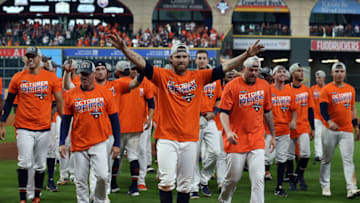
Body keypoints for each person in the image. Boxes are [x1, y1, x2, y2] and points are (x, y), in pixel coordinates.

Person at [107, 32, 264, 203]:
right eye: (178, 56)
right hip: (167, 138)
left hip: (190, 139)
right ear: (171, 59)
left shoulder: (198, 77)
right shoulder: (162, 76)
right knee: (166, 182)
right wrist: (123, 48)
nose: (181, 59)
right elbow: (142, 63)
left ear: (189, 59)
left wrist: (246, 55)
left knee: (185, 185)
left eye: (184, 56)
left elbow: (224, 68)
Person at [0, 47, 63, 203]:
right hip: (23, 127)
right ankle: (23, 198)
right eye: (28, 56)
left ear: (39, 59)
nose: (30, 59)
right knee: (25, 162)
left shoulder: (51, 78)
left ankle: (35, 196)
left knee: (41, 165)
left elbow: (59, 101)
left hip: (43, 127)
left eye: (33, 56)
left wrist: (65, 121)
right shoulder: (18, 77)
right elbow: (8, 103)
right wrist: (2, 124)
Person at [59, 60, 121, 203]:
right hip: (78, 144)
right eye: (82, 74)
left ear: (93, 74)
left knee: (103, 176)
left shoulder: (105, 93)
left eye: (87, 74)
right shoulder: (71, 94)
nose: (84, 77)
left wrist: (117, 142)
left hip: (99, 141)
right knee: (80, 181)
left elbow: (114, 119)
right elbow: (66, 121)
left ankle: (98, 200)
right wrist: (62, 142)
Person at [218, 56, 276, 203]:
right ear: (243, 68)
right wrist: (229, 131)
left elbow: (267, 112)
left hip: (256, 139)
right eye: (251, 69)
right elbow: (223, 112)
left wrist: (273, 135)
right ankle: (224, 199)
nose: (254, 73)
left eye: (256, 70)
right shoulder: (232, 86)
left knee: (258, 178)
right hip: (236, 140)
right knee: (233, 178)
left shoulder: (264, 86)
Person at [319, 62, 360, 199]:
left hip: (347, 129)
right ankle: (325, 185)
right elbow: (323, 109)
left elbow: (353, 109)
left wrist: (356, 126)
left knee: (348, 160)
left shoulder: (351, 89)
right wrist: (329, 121)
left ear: (345, 73)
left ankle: (352, 188)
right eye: (336, 71)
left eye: (341, 71)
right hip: (330, 130)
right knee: (326, 159)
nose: (339, 74)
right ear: (332, 74)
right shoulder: (326, 89)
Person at [191, 50, 222, 199]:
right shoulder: (191, 77)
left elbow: (219, 98)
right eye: (199, 58)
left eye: (204, 58)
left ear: (207, 60)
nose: (202, 60)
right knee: (194, 154)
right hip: (195, 120)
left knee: (217, 152)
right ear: (195, 61)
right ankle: (194, 186)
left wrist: (214, 112)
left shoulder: (215, 79)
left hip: (210, 120)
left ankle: (204, 179)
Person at [286, 63, 315, 191]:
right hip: (289, 127)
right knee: (290, 156)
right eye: (299, 71)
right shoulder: (286, 89)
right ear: (292, 74)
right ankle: (292, 180)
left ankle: (299, 176)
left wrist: (313, 128)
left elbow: (310, 110)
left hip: (303, 126)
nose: (302, 73)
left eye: (302, 71)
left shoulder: (307, 90)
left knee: (306, 153)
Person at [271, 65, 297, 197]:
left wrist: (293, 121)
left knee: (282, 159)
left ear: (286, 76)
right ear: (273, 76)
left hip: (284, 131)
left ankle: (279, 187)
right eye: (278, 72)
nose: (282, 73)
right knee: (266, 159)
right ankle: (258, 182)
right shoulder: (268, 90)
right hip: (269, 132)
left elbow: (293, 109)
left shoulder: (290, 91)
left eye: (283, 72)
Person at [311, 70, 326, 162]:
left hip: (326, 117)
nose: (318, 79)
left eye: (320, 77)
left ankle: (325, 153)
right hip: (316, 116)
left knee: (326, 136)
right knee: (317, 135)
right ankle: (318, 154)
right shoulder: (313, 89)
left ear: (324, 78)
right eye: (317, 77)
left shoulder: (328, 88)